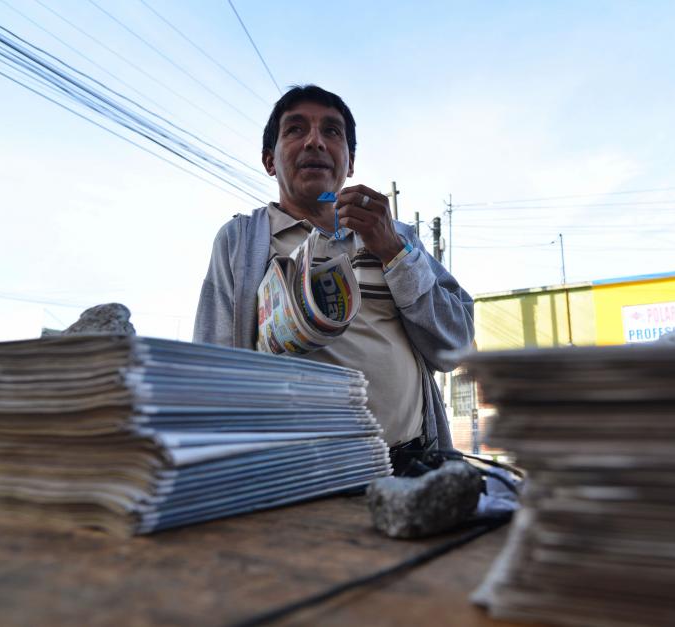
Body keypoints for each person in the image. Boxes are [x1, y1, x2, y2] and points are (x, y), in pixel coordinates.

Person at [193, 85, 473, 466]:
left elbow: (455, 347)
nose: (315, 142)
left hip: (410, 466)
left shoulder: (398, 237)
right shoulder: (240, 242)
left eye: (331, 131)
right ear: (269, 161)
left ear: (350, 162)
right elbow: (214, 371)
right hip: (297, 477)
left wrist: (394, 252)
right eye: (295, 130)